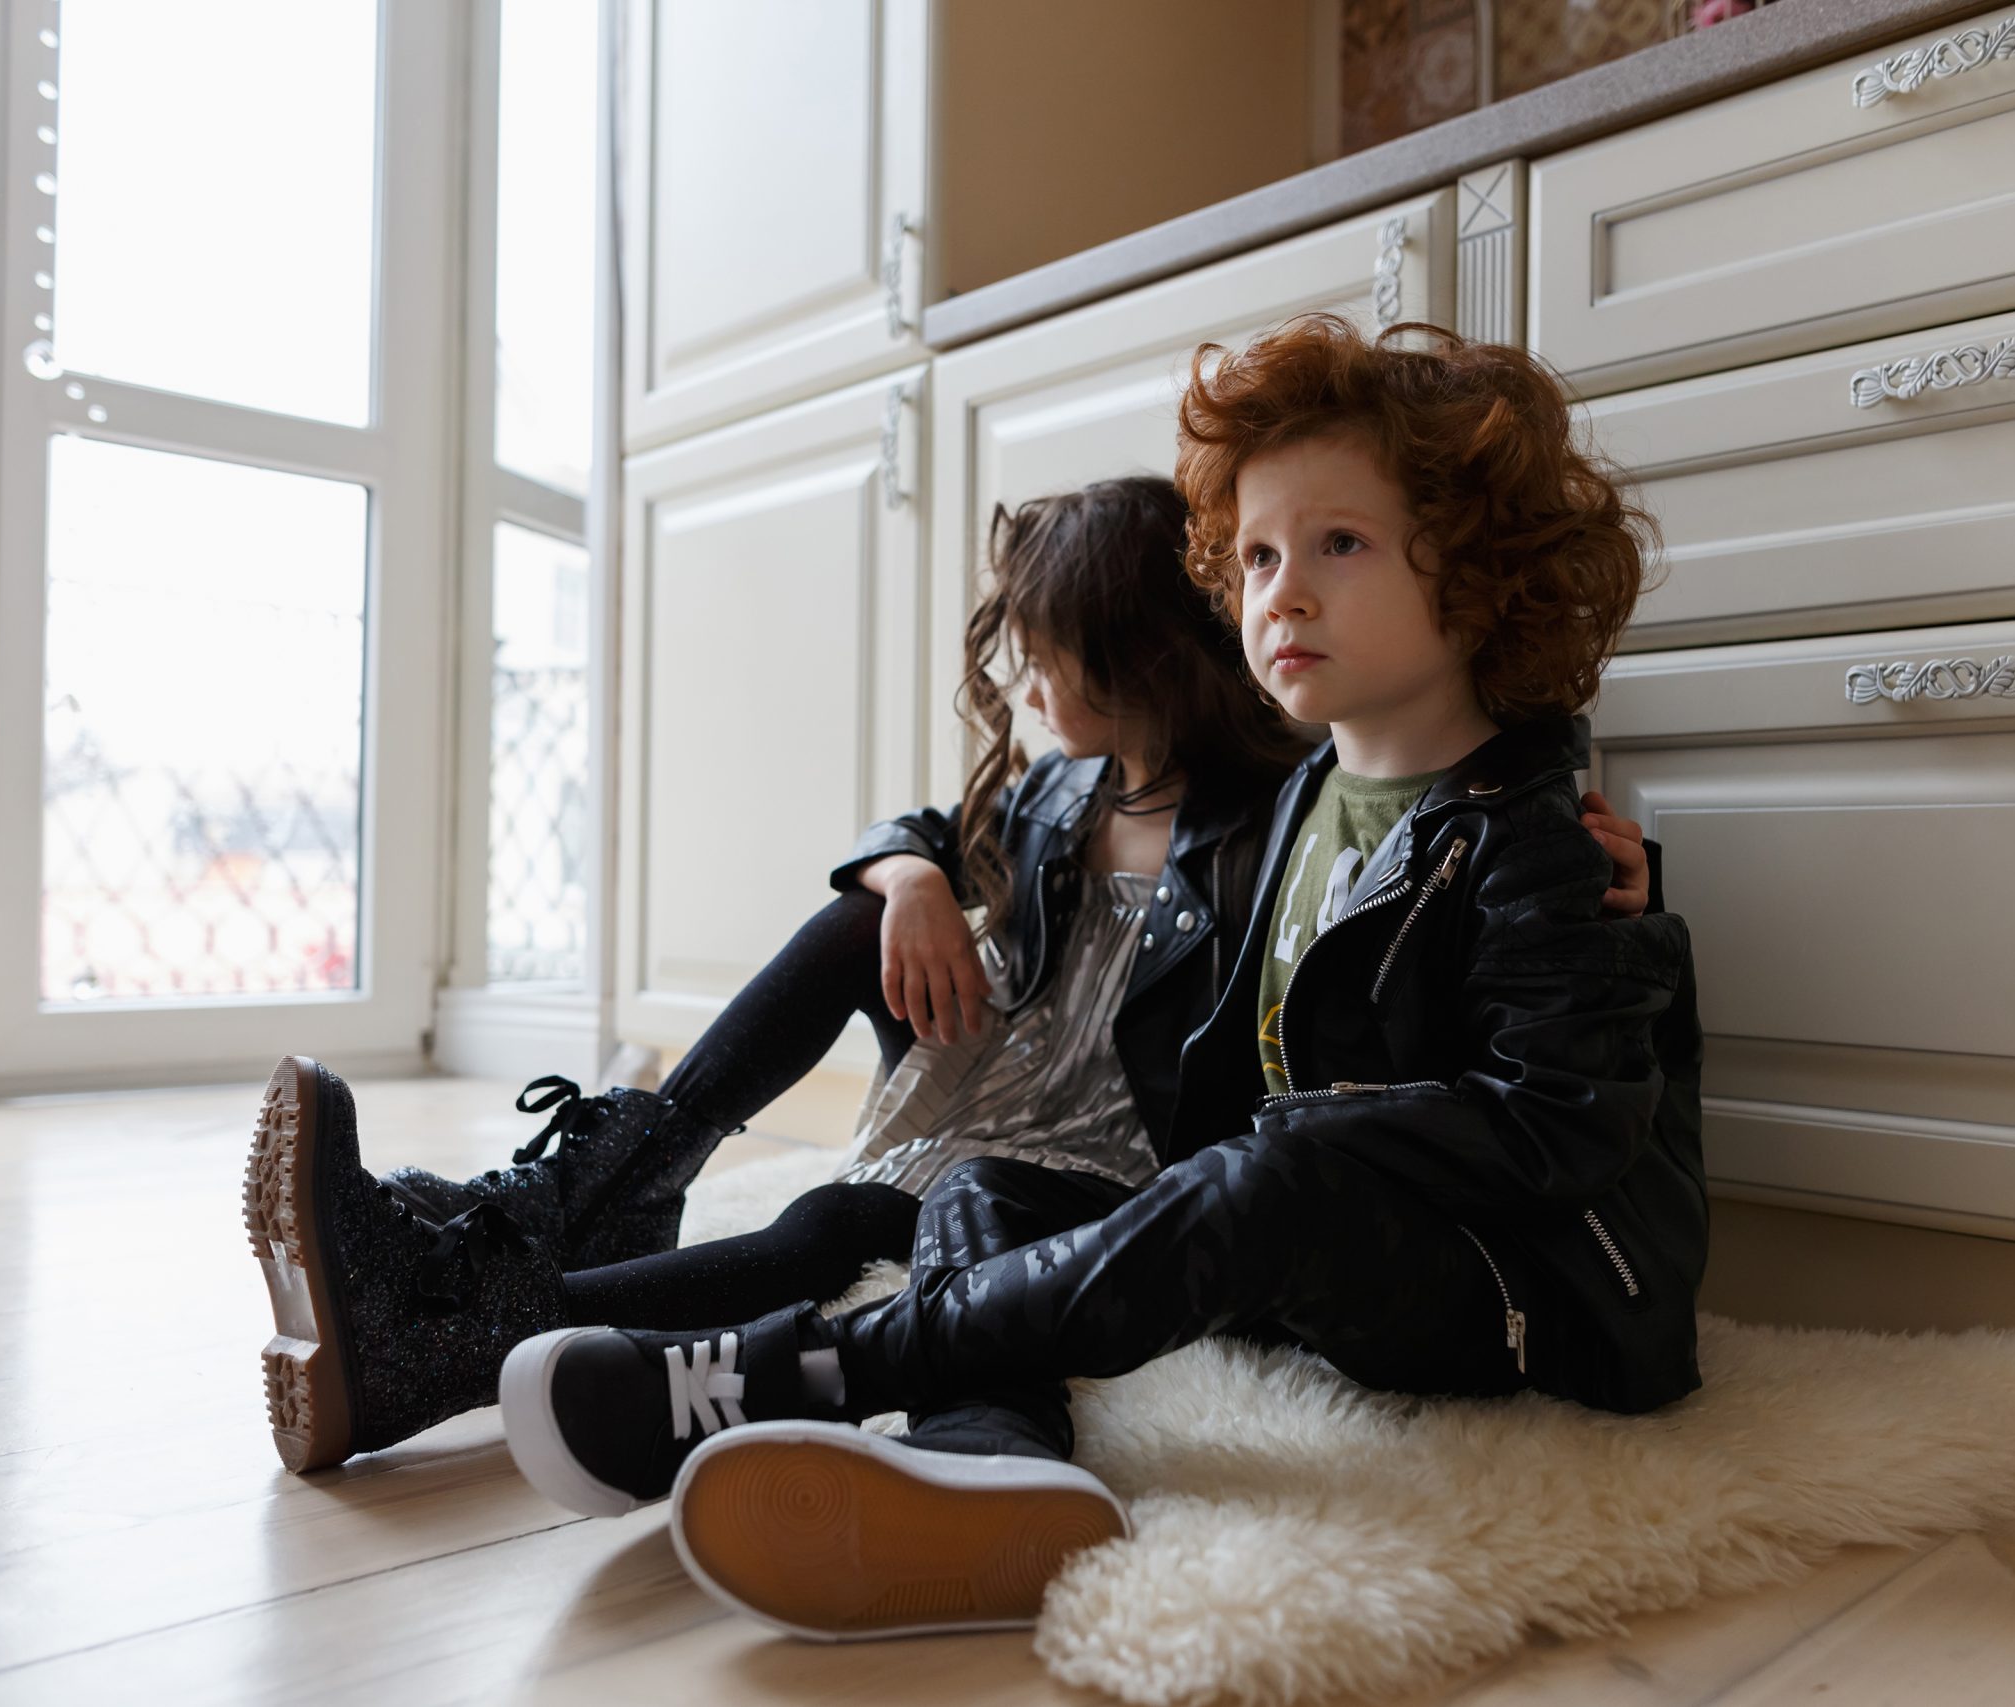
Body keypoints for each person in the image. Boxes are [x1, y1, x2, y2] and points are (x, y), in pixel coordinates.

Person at [491, 313, 1707, 1645]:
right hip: (1327, 1256)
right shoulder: (1306, 792)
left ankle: (806, 1370)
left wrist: (1297, 1144)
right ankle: (990, 1463)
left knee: (1268, 1176)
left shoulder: (1540, 839)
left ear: (1481, 572)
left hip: (1537, 1300)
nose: (1282, 593)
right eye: (1258, 556)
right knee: (981, 1184)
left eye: (1340, 544)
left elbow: (1558, 1121)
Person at [243, 477, 1653, 1474]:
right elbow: (923, 829)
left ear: (1142, 656)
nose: (1024, 684)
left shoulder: (1272, 807)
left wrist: (1610, 862)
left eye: (1050, 655)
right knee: (859, 924)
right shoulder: (1057, 792)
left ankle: (455, 1334)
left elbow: (1429, 826)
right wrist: (909, 877)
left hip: (1093, 1158)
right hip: (987, 1082)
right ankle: (608, 1177)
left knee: (827, 1226)